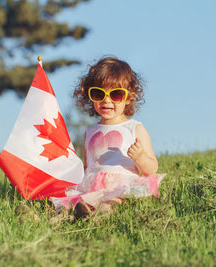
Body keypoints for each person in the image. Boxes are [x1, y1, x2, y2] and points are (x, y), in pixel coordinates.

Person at [50, 56, 166, 218]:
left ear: (129, 98)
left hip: (120, 184)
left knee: (113, 200)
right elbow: (86, 166)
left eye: (116, 95)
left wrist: (140, 157)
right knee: (72, 202)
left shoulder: (134, 128)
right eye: (98, 94)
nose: (107, 100)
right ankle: (58, 217)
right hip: (92, 185)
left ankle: (103, 213)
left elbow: (152, 168)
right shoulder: (90, 132)